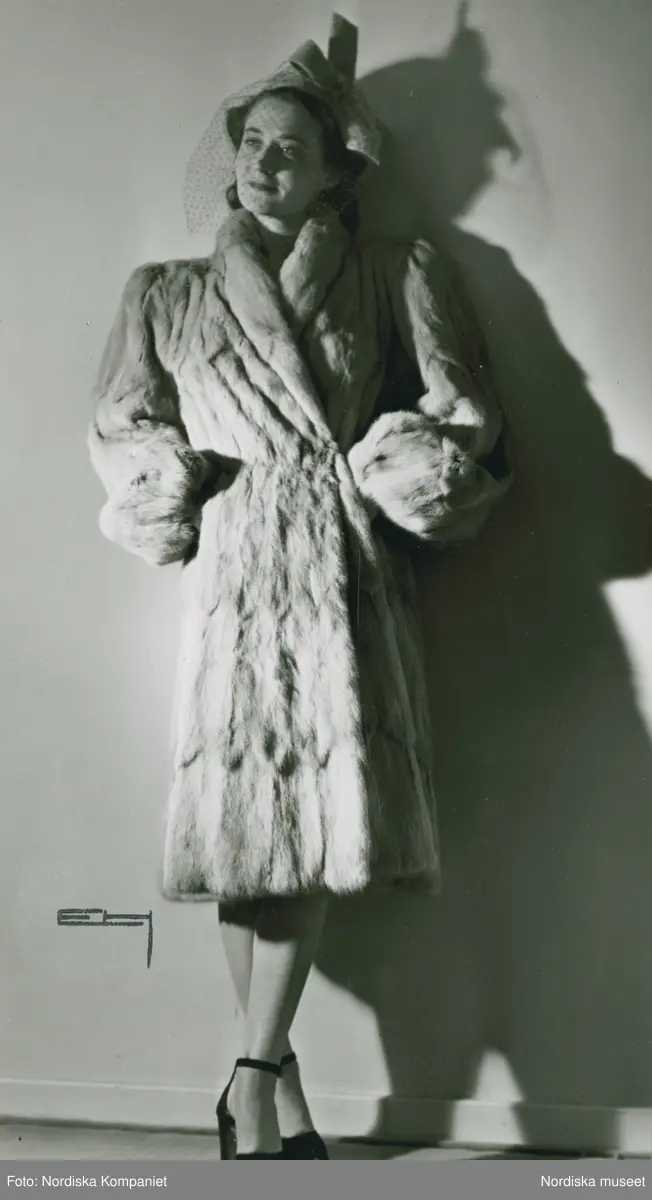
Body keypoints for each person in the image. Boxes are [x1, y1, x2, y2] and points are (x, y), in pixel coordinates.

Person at [88, 14, 511, 1161]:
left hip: (339, 570)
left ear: (336, 172)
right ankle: (272, 1088)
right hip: (232, 572)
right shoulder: (165, 293)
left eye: (291, 148)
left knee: (314, 832)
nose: (265, 162)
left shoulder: (394, 272)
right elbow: (123, 424)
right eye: (252, 144)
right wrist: (171, 482)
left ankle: (249, 1078)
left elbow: (465, 411)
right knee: (245, 835)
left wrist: (388, 464)